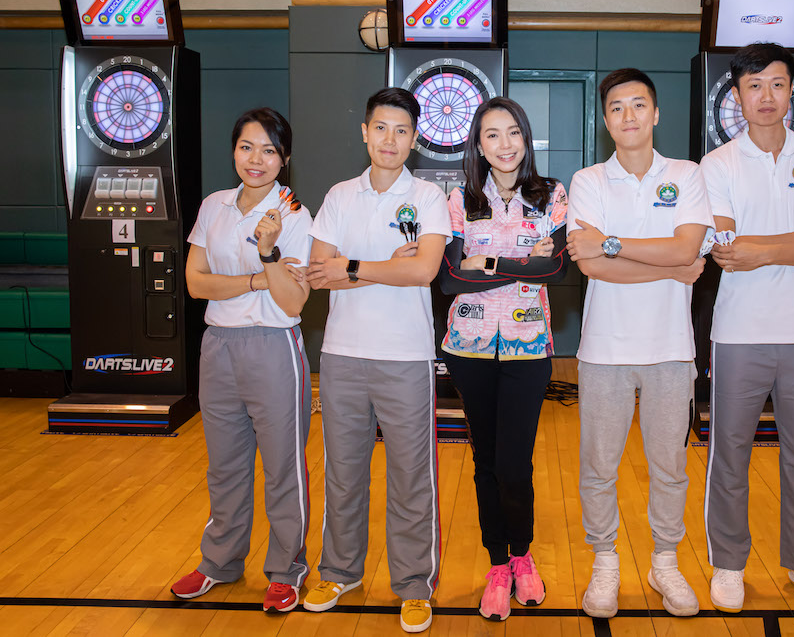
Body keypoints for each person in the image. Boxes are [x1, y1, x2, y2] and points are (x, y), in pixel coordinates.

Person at [699, 42, 794, 615]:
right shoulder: (717, 165)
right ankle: (728, 564)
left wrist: (765, 248)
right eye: (754, 85)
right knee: (730, 455)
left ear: (792, 92)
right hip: (739, 334)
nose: (766, 96)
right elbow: (726, 250)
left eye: (778, 84)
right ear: (737, 95)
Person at [301, 88, 451, 634]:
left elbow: (423, 271)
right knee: (342, 474)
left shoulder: (429, 197)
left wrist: (353, 266)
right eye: (381, 128)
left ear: (415, 138)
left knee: (412, 477)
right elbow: (319, 273)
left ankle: (413, 585)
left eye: (402, 130)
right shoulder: (340, 195)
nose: (391, 139)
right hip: (342, 356)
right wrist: (384, 265)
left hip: (406, 357)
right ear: (365, 132)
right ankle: (339, 572)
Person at [566, 68, 712, 618]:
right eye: (617, 108)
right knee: (598, 467)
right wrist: (669, 266)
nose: (628, 116)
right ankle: (605, 561)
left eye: (638, 105)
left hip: (670, 350)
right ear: (605, 121)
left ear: (656, 113)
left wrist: (611, 244)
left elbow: (687, 248)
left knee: (669, 466)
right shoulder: (588, 180)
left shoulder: (687, 175)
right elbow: (592, 266)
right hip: (604, 351)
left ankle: (665, 562)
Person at [172, 107, 313, 613]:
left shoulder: (294, 216)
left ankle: (287, 570)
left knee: (282, 469)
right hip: (219, 346)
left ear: (284, 158)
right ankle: (220, 562)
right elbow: (195, 283)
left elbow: (292, 303)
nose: (256, 159)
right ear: (234, 150)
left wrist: (269, 251)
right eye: (246, 147)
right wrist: (257, 279)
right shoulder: (214, 205)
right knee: (225, 467)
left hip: (273, 346)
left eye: (269, 150)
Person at [437, 97, 569, 621]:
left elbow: (555, 269)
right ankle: (498, 563)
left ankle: (523, 554)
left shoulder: (551, 195)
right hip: (468, 349)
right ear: (478, 144)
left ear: (525, 138)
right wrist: (521, 263)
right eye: (492, 134)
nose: (504, 144)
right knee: (486, 462)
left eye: (513, 132)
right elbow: (450, 279)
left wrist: (485, 259)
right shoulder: (460, 199)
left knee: (516, 464)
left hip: (527, 347)